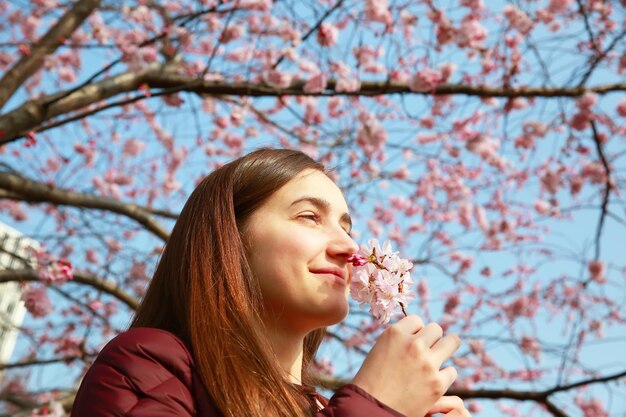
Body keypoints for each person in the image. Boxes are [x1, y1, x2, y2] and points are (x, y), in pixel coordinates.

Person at [71, 148, 469, 417]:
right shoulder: (147, 367)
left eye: (348, 228)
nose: (350, 247)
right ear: (230, 239)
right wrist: (377, 406)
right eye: (309, 217)